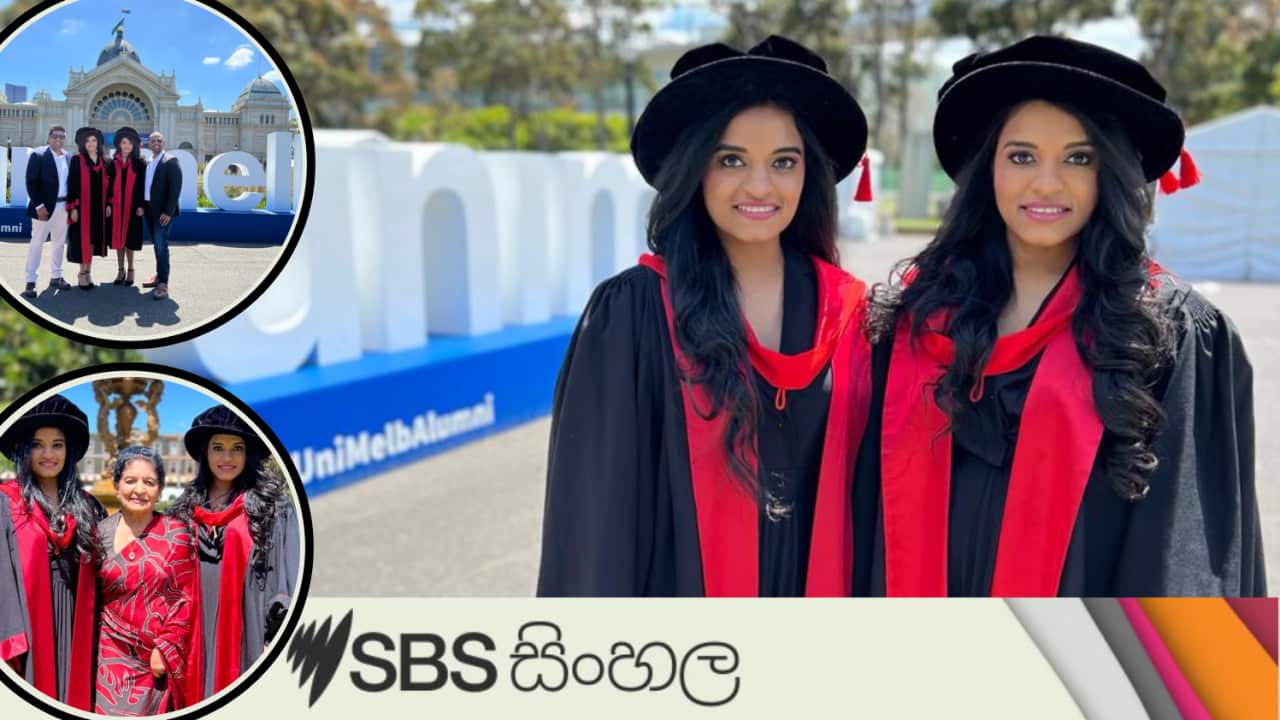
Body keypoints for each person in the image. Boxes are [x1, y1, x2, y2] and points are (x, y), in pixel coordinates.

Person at [859, 36, 1266, 596]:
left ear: (1111, 174)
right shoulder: (921, 318)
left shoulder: (1163, 329)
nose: (1046, 184)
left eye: (1079, 158)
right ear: (989, 169)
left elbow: (1182, 549)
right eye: (1021, 156)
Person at [538, 36, 874, 597]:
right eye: (731, 160)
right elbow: (594, 522)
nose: (760, 186)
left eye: (783, 162)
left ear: (807, 175)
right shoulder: (634, 314)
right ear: (696, 170)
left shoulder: (849, 315)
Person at [168, 406, 299, 696]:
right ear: (205, 452)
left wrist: (275, 635)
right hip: (194, 630)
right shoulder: (183, 510)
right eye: (218, 448)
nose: (226, 458)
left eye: (236, 448)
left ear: (248, 453)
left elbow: (287, 577)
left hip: (246, 627)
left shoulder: (272, 508)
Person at [0, 395, 104, 710]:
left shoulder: (86, 506)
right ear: (23, 450)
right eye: (38, 444)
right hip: (29, 621)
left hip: (78, 619)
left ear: (68, 451)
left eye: (57, 444)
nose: (48, 454)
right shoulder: (7, 503)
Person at [94, 446, 198, 715]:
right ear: (116, 486)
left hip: (154, 659)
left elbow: (186, 598)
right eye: (130, 481)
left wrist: (165, 647)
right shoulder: (99, 535)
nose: (139, 490)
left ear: (160, 490)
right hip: (108, 654)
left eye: (149, 482)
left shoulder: (175, 534)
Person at [21, 126, 74, 298]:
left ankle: (56, 276)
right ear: (49, 137)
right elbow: (31, 182)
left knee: (59, 244)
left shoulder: (68, 156)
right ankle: (30, 281)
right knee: (37, 244)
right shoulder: (38, 155)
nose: (58, 139)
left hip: (63, 207)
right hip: (43, 208)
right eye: (55, 136)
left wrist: (72, 207)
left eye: (62, 136)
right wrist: (38, 206)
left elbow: (70, 184)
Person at [65, 127, 111, 290]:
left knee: (93, 240)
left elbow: (109, 186)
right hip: (83, 208)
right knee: (82, 240)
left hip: (98, 209)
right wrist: (73, 208)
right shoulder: (78, 160)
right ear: (83, 144)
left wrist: (108, 205)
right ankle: (82, 274)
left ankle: (88, 271)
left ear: (98, 143)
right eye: (87, 141)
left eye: (94, 140)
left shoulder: (104, 161)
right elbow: (72, 184)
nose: (91, 143)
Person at [141, 132, 181, 301]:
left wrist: (168, 212)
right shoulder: (149, 162)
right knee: (157, 246)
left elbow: (175, 188)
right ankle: (159, 275)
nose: (156, 143)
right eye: (153, 141)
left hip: (162, 213)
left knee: (161, 246)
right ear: (149, 144)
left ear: (163, 143)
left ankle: (163, 283)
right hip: (149, 210)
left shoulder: (170, 161)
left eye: (159, 140)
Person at [109, 126, 147, 286]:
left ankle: (131, 269)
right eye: (124, 143)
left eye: (130, 143)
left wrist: (140, 205)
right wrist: (109, 204)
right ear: (119, 144)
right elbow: (108, 186)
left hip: (132, 208)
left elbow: (143, 186)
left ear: (134, 146)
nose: (127, 146)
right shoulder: (112, 164)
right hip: (117, 207)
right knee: (118, 239)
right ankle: (120, 269)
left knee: (130, 240)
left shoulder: (140, 164)